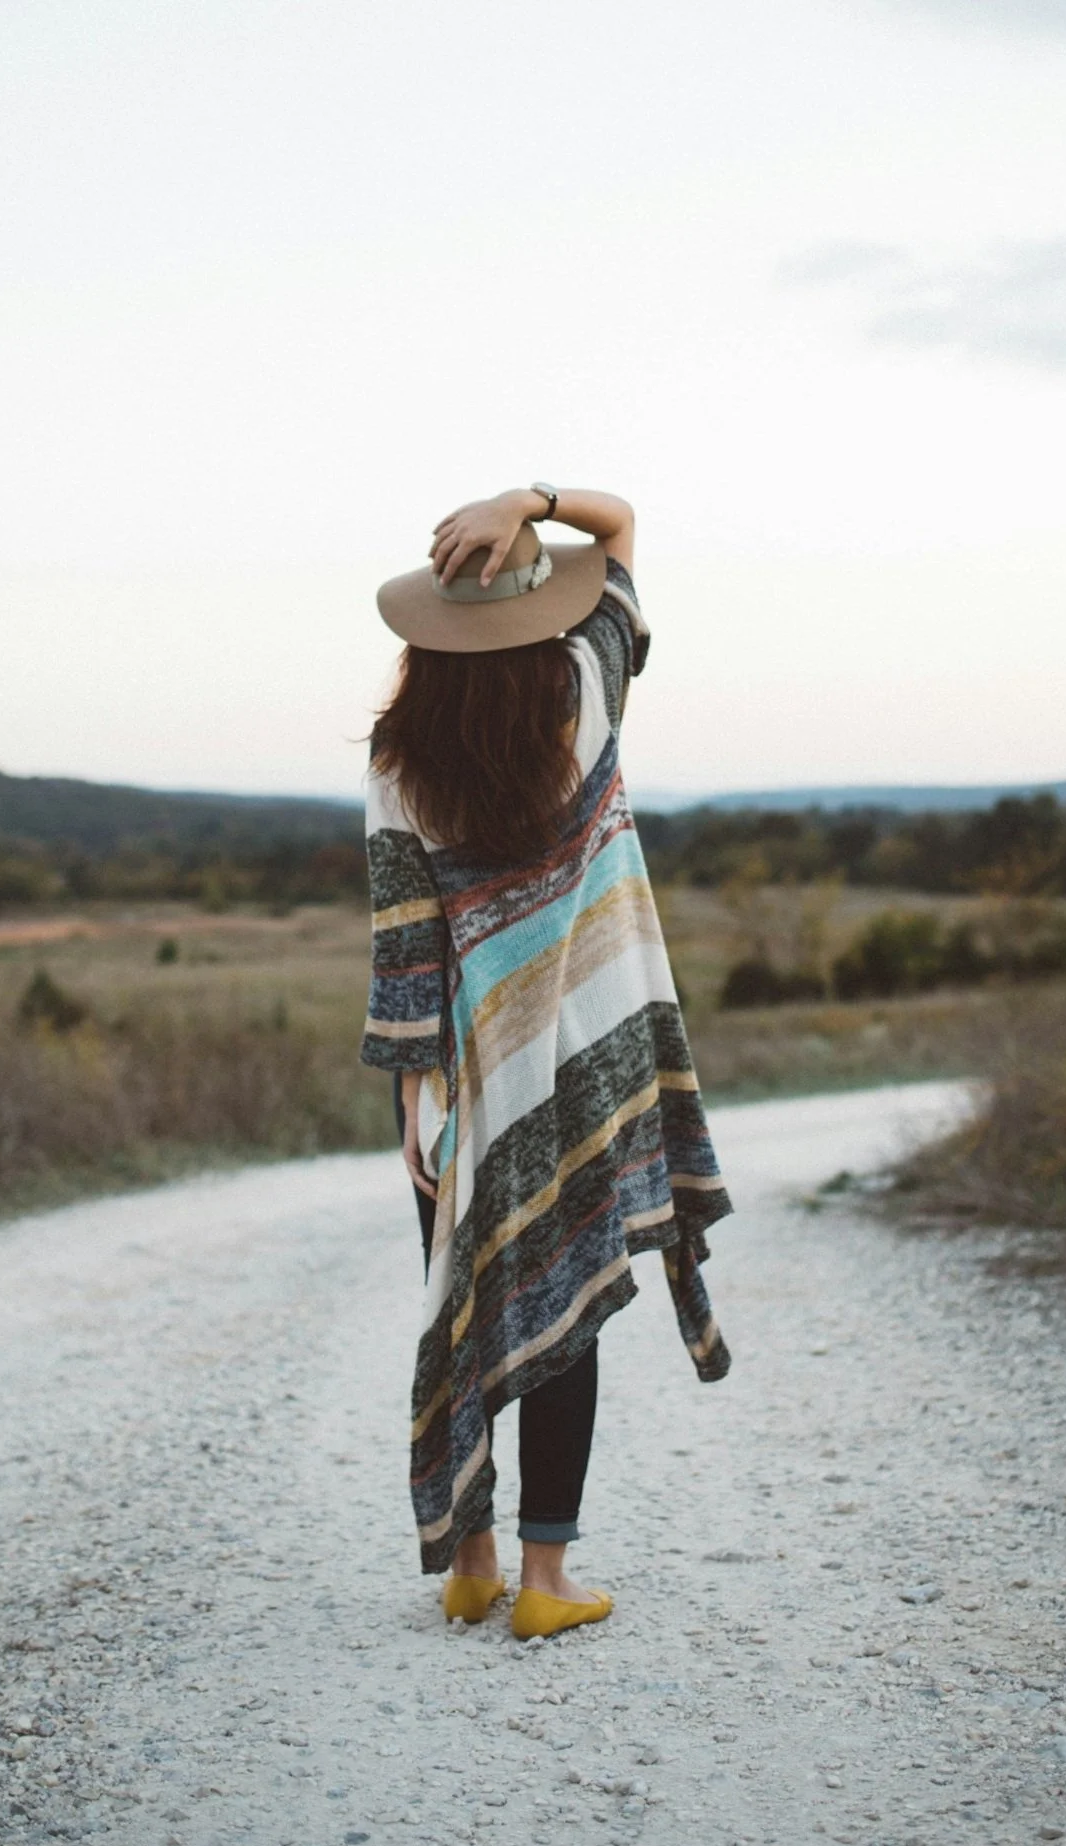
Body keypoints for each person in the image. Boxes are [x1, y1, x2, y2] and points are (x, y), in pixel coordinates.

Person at [361, 485, 733, 1641]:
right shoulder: (587, 686)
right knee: (565, 1286)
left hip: (460, 1072)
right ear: (538, 605)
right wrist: (533, 497)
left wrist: (417, 1094)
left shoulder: (397, 754)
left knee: (465, 1290)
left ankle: (467, 1562)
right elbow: (618, 529)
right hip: (590, 1052)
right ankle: (545, 1581)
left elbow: (404, 941)